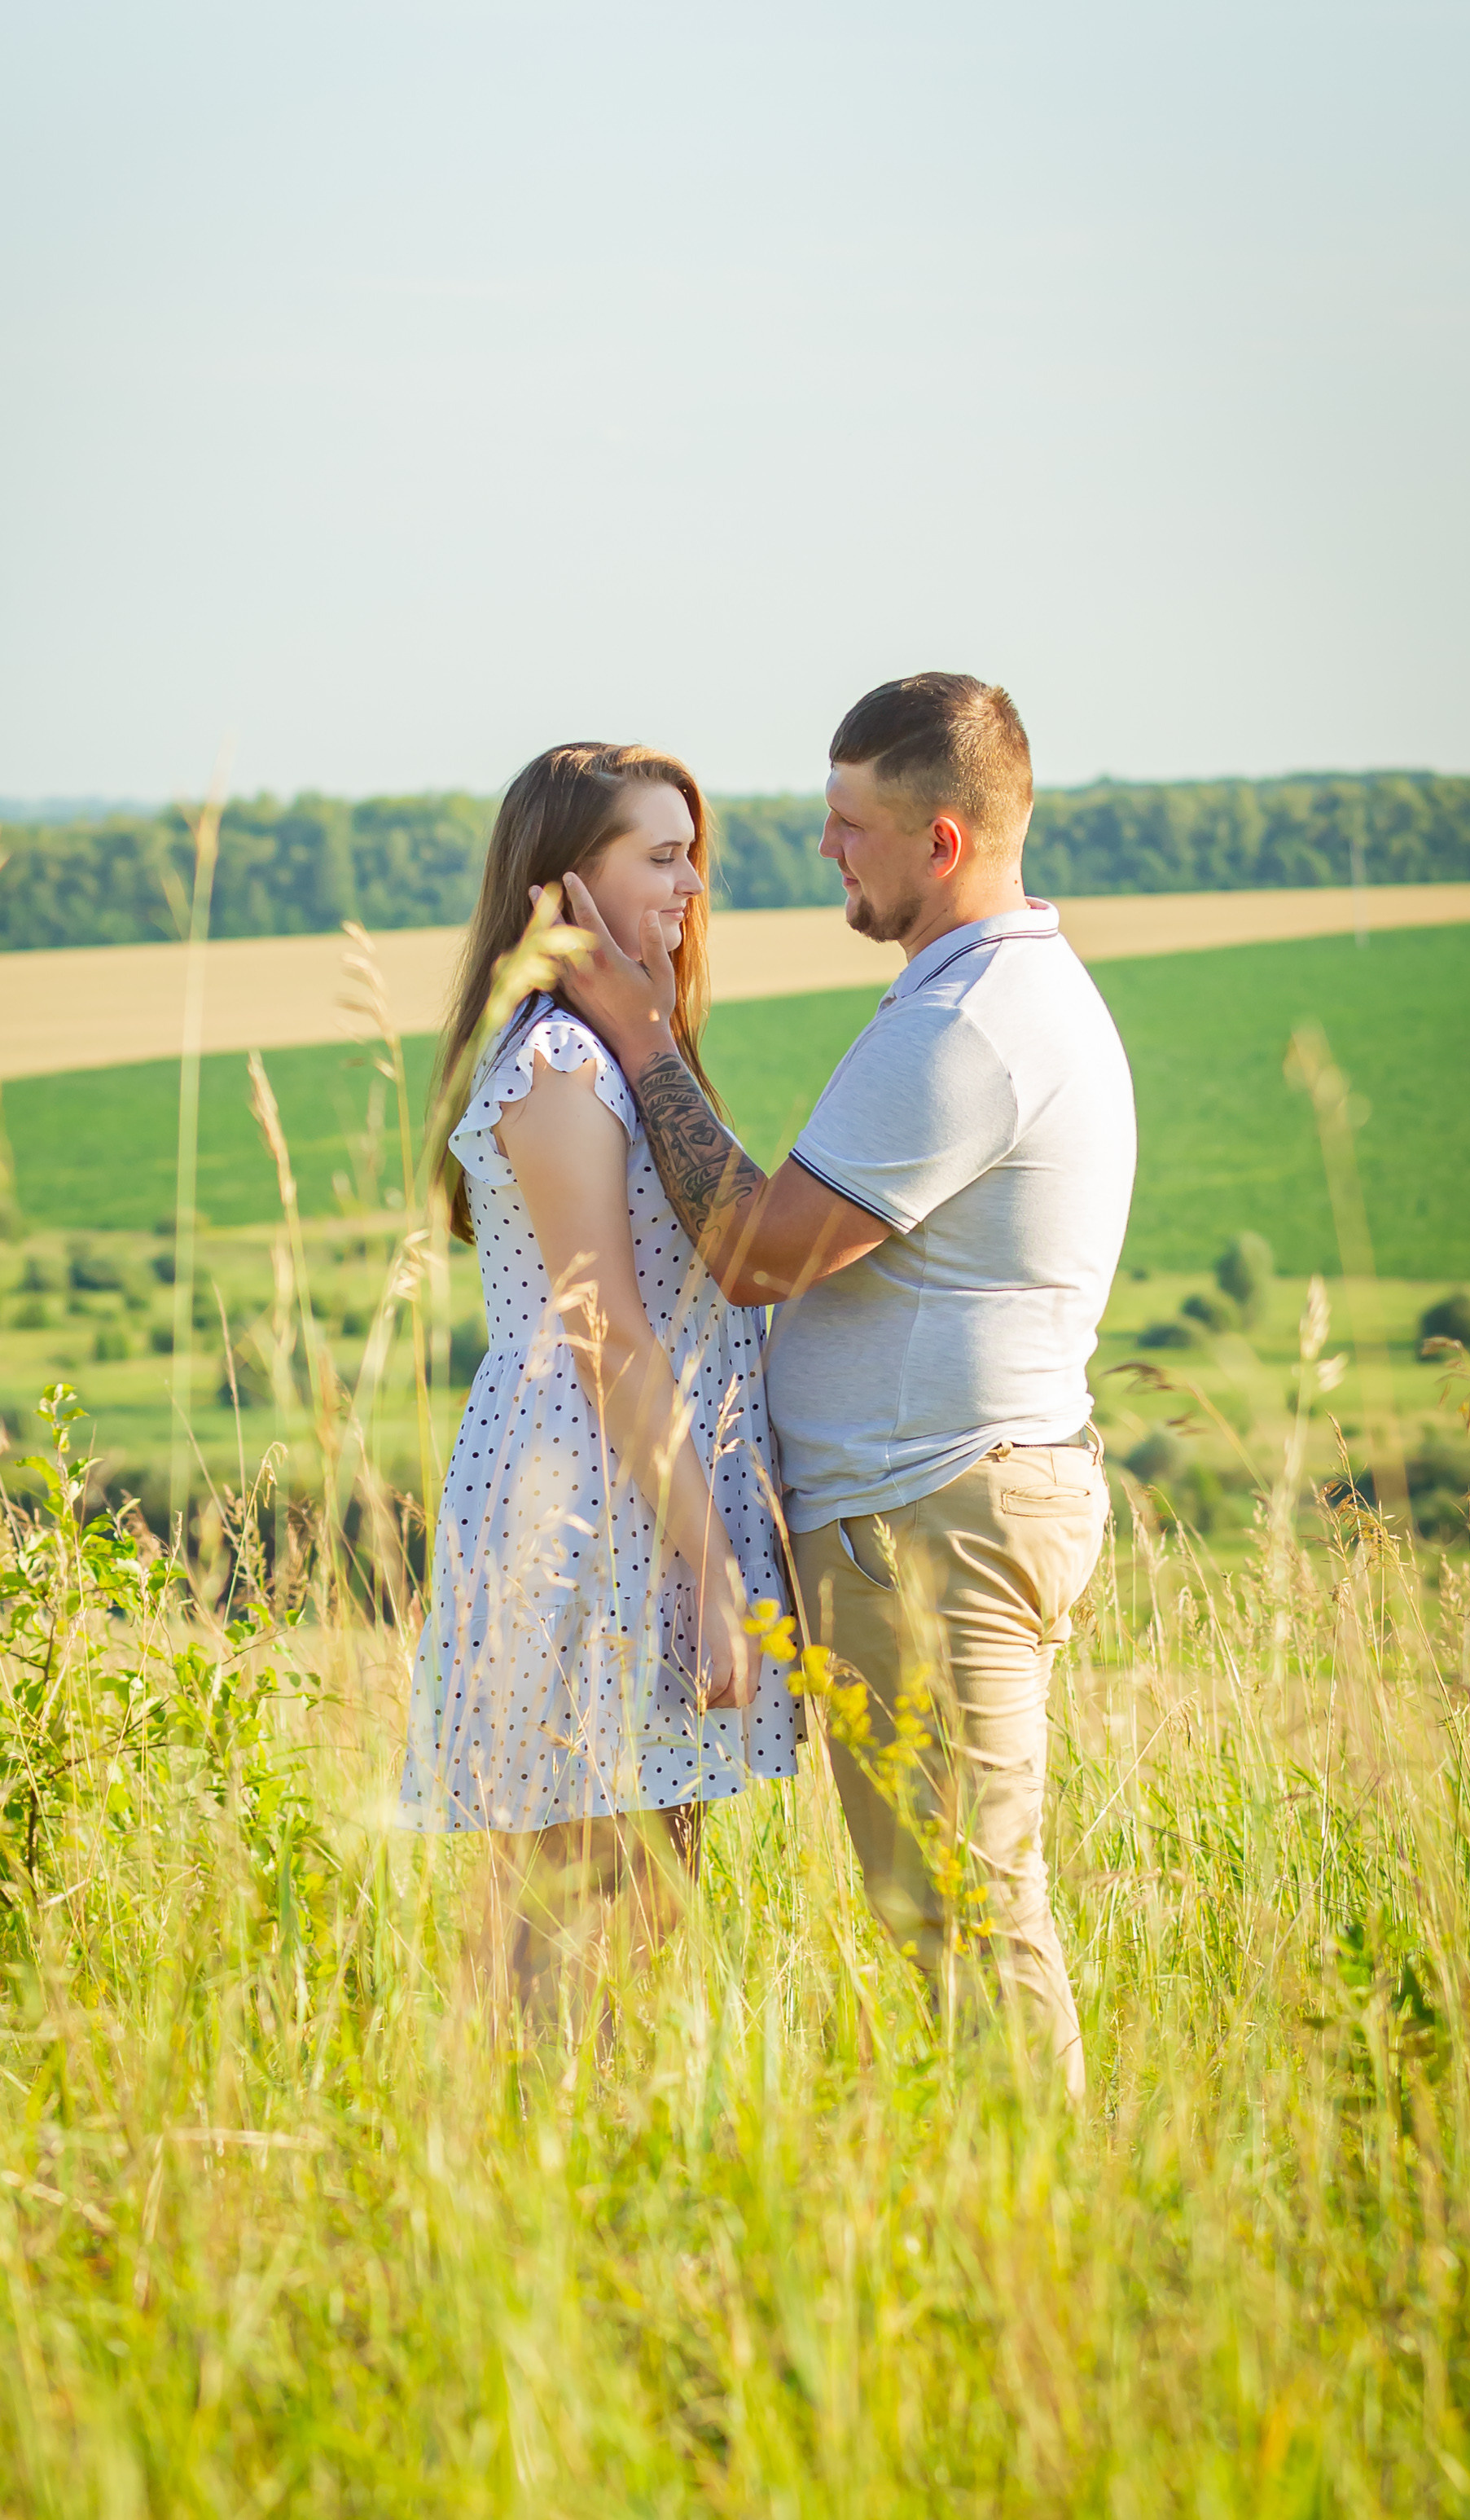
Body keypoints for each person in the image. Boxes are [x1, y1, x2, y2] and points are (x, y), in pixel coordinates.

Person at [553, 674, 1136, 2099]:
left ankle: (1044, 2243)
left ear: (941, 841)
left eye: (850, 822)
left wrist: (637, 1036)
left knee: (965, 1905)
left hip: (929, 1517)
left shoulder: (973, 1025)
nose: (824, 847)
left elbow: (759, 1252)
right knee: (944, 1898)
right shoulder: (979, 992)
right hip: (936, 1503)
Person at [397, 741, 801, 2017]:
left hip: (632, 1495)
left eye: (698, 857)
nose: (691, 887)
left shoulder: (616, 1053)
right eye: (660, 856)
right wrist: (709, 1565)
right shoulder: (562, 1064)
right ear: (564, 885)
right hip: (585, 1511)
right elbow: (607, 1333)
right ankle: (531, 2178)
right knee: (575, 1929)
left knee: (637, 1914)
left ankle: (593, 2184)